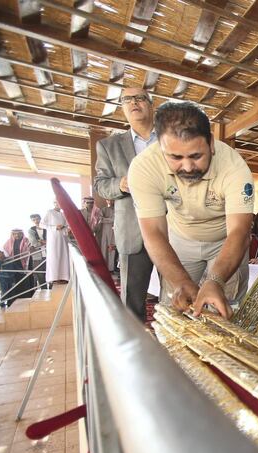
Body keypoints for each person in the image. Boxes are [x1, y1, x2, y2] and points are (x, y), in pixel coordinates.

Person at [128, 101, 254, 318]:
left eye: (196, 156)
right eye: (175, 158)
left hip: (226, 242)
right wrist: (180, 281)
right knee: (176, 307)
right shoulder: (143, 169)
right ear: (160, 147)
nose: (187, 167)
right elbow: (153, 233)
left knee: (226, 310)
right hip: (180, 241)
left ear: (211, 144)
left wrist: (215, 280)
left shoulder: (235, 167)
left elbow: (240, 232)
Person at [94, 87, 157, 321]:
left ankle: (175, 354)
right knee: (132, 303)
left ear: (151, 105)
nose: (134, 103)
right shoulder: (109, 145)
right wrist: (120, 184)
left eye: (140, 98)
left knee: (178, 297)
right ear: (122, 108)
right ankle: (136, 354)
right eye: (127, 100)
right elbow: (100, 184)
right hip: (133, 232)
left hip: (174, 230)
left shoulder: (171, 139)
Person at [41, 200, 70, 284]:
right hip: (53, 239)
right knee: (54, 256)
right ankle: (54, 278)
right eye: (58, 203)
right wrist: (55, 227)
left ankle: (64, 277)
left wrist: (64, 228)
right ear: (55, 203)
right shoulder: (50, 212)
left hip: (63, 238)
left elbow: (67, 225)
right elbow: (42, 224)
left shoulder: (63, 213)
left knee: (63, 256)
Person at [3, 229, 34, 300]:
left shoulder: (26, 240)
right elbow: (5, 251)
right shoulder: (9, 242)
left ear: (22, 234)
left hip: (26, 263)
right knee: (16, 280)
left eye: (18, 234)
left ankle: (28, 295)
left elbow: (31, 247)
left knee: (27, 279)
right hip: (14, 264)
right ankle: (17, 296)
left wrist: (31, 248)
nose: (16, 235)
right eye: (14, 234)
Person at [98, 199, 117, 272]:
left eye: (112, 200)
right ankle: (106, 267)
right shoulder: (104, 209)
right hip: (106, 231)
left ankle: (113, 268)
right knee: (105, 248)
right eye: (109, 200)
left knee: (113, 248)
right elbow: (100, 219)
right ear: (106, 201)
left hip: (115, 231)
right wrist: (112, 220)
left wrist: (109, 220)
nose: (111, 202)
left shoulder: (117, 209)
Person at [28, 213, 46, 287]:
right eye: (34, 220)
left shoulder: (46, 228)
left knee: (50, 272)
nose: (36, 221)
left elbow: (52, 240)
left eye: (37, 219)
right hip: (37, 255)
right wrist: (44, 242)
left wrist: (41, 241)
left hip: (49, 253)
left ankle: (52, 289)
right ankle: (43, 290)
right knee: (40, 275)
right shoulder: (31, 230)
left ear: (40, 219)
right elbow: (34, 243)